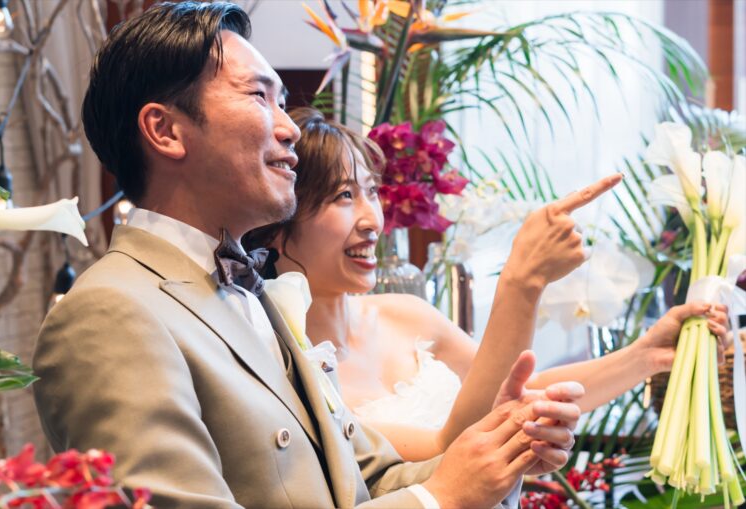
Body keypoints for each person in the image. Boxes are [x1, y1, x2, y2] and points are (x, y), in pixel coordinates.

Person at [32, 3, 584, 508]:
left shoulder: (258, 297)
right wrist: (441, 498)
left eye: (281, 101)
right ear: (166, 131)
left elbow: (368, 477)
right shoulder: (108, 313)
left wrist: (500, 455)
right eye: (258, 96)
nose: (291, 127)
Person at [244, 107, 730, 462]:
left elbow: (516, 394)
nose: (372, 220)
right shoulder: (285, 368)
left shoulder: (406, 314)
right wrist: (522, 280)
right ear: (277, 226)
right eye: (343, 196)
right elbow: (455, 444)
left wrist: (646, 354)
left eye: (371, 191)